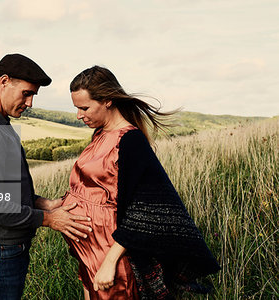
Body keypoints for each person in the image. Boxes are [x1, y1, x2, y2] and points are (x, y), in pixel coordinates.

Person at [61, 66, 221, 299]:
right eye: (76, 108)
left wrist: (110, 261)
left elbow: (143, 208)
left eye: (84, 108)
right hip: (89, 251)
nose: (79, 115)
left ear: (107, 100)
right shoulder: (100, 135)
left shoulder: (130, 140)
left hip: (111, 252)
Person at [0, 54, 92, 300]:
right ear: (4, 81)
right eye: (26, 93)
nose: (30, 103)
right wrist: (49, 219)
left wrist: (43, 203)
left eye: (33, 96)